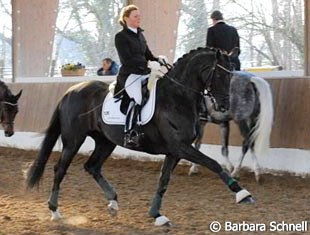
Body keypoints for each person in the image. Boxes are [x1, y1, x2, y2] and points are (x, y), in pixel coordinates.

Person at [114, 4, 167, 148]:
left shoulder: (140, 34)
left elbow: (148, 54)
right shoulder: (121, 37)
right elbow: (127, 59)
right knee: (137, 97)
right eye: (135, 16)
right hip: (130, 75)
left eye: (139, 16)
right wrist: (148, 64)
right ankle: (130, 133)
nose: (139, 18)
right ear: (126, 18)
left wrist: (159, 60)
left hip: (144, 73)